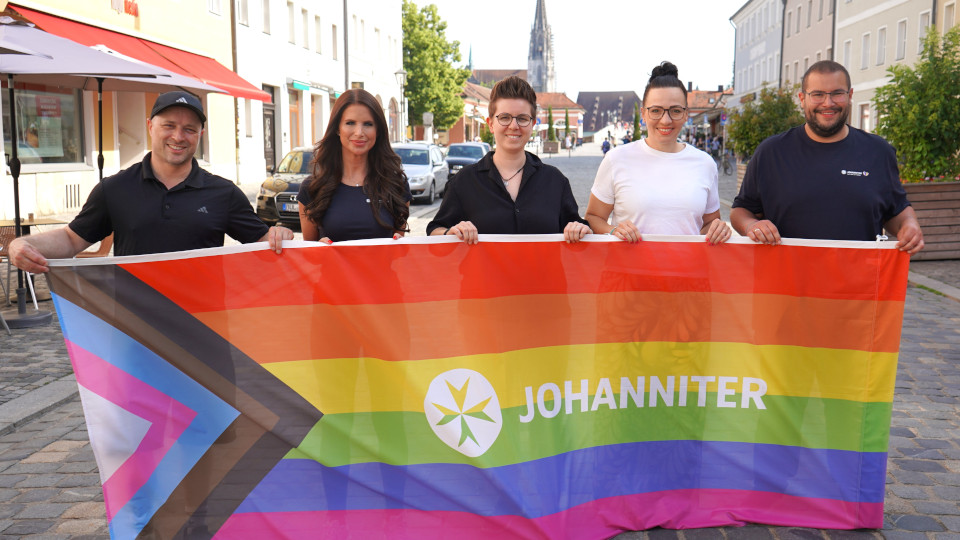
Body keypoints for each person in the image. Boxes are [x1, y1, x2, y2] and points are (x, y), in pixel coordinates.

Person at [8, 91, 292, 273]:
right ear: (150, 126)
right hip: (138, 333)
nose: (178, 137)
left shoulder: (224, 192)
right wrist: (21, 244)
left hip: (206, 333)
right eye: (169, 125)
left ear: (200, 135)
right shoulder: (115, 189)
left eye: (189, 129)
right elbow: (72, 239)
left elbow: (264, 240)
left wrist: (282, 236)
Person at [731, 60, 924, 254]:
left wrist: (909, 225)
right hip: (785, 280)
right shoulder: (770, 152)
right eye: (818, 94)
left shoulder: (878, 151)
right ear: (802, 98)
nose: (828, 103)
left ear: (850, 96)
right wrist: (750, 226)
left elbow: (896, 211)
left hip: (858, 280)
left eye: (837, 93)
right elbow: (741, 211)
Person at [426, 76, 590, 244]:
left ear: (532, 124)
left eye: (522, 118)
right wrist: (450, 232)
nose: (514, 126)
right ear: (490, 124)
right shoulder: (464, 181)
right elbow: (434, 230)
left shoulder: (555, 181)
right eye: (504, 117)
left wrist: (579, 229)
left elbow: (580, 228)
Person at [584, 61, 731, 245]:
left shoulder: (705, 163)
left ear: (686, 114)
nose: (665, 120)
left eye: (675, 111)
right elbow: (593, 217)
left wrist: (718, 229)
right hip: (628, 271)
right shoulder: (617, 159)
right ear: (643, 114)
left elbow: (709, 223)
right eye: (656, 111)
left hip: (687, 270)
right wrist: (614, 230)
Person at [298, 89, 410, 243]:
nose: (359, 132)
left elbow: (398, 249)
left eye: (368, 124)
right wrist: (318, 249)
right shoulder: (312, 188)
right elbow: (308, 256)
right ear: (337, 128)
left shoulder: (396, 185)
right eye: (350, 123)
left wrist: (399, 245)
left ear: (378, 131)